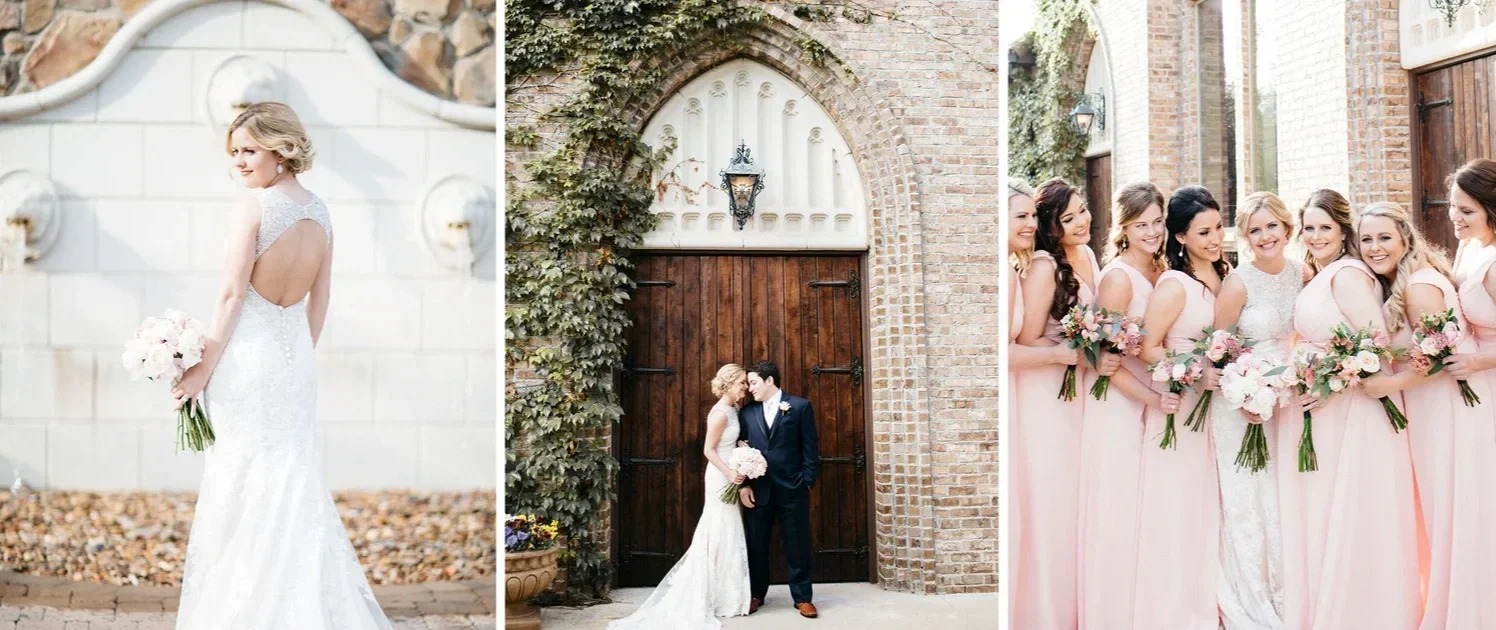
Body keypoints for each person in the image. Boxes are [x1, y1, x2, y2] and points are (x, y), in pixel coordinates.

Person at [171, 102, 392, 628]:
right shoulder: (321, 213)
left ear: (282, 150)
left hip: (246, 362)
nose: (239, 162)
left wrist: (200, 369)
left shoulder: (253, 208)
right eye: (235, 152)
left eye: (249, 150)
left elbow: (231, 296)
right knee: (293, 477)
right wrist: (298, 354)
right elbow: (321, 297)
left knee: (241, 477)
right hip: (295, 366)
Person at [1132, 185, 1227, 630]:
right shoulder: (1174, 285)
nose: (1215, 238)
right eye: (1203, 232)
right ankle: (1176, 611)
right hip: (1185, 413)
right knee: (1182, 509)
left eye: (1218, 227)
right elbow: (1147, 348)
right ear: (1182, 237)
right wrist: (1193, 372)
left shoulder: (1228, 275)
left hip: (1225, 410)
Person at [1210, 192, 1299, 629]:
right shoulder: (1238, 283)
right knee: (1249, 497)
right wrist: (1243, 393)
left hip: (1288, 397)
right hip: (1240, 403)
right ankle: (1252, 596)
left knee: (1281, 495)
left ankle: (1290, 590)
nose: (1265, 236)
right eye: (1254, 230)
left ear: (1286, 227)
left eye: (1271, 226)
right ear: (1245, 237)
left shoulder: (1301, 273)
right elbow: (1219, 348)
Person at [608, 364, 753, 630]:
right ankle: (708, 592)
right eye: (742, 382)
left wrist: (741, 450)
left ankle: (725, 592)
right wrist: (730, 472)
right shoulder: (720, 413)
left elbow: (728, 442)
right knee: (718, 527)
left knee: (729, 528)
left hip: (731, 471)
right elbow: (709, 450)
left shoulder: (735, 408)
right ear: (730, 383)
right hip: (721, 476)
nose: (746, 386)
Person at [739, 360, 820, 619]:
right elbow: (740, 449)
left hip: (792, 489)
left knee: (797, 545)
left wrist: (806, 481)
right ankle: (756, 594)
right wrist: (744, 486)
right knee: (756, 545)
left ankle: (803, 597)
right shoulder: (747, 412)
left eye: (753, 382)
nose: (750, 388)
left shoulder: (799, 406)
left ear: (770, 381)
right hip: (758, 491)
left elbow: (810, 448)